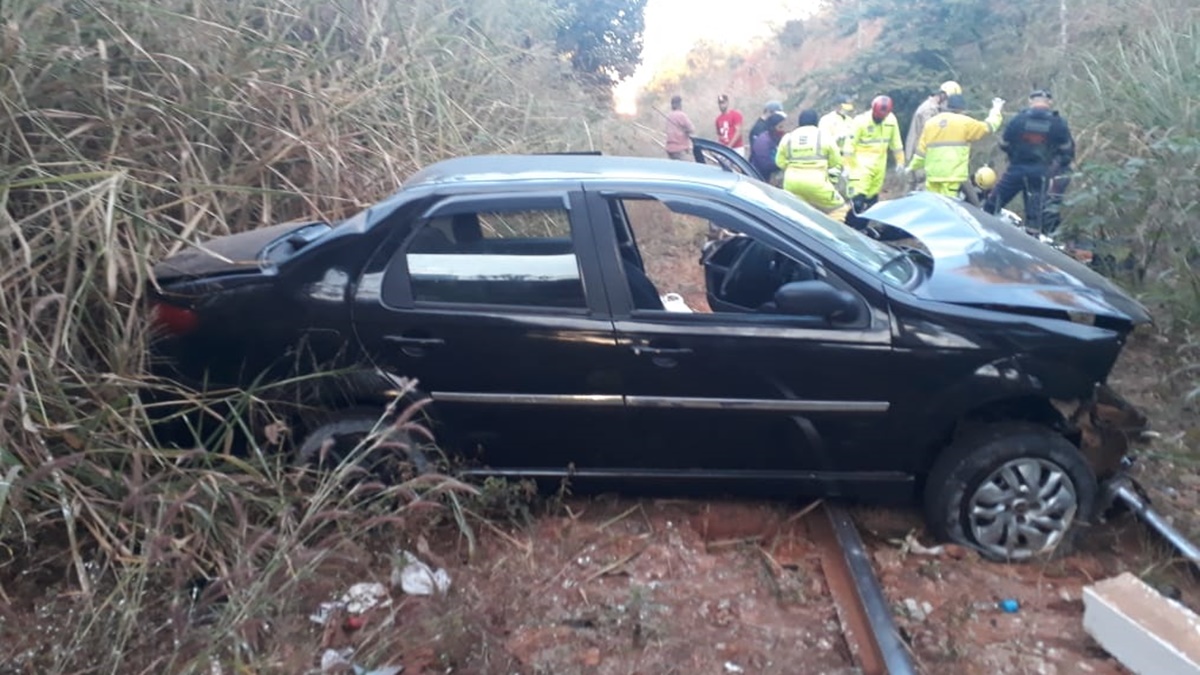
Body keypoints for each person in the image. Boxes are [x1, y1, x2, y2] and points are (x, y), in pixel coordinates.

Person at [983, 89, 1076, 235]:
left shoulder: (1018, 120)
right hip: (1042, 173)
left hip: (1016, 170)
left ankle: (981, 234)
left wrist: (1015, 155)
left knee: (991, 206)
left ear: (1030, 101)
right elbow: (1067, 152)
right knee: (1035, 217)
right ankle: (1033, 245)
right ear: (1049, 102)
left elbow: (1004, 144)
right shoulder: (1058, 123)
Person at [907, 93, 1004, 196]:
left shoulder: (931, 123)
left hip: (933, 176)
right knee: (949, 207)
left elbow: (921, 153)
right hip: (952, 177)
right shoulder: (965, 123)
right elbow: (989, 127)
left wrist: (911, 167)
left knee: (934, 206)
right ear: (962, 110)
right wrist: (996, 110)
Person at [775, 109, 849, 222]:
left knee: (800, 213)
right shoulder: (824, 137)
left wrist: (793, 167)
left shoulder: (788, 137)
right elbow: (836, 162)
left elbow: (779, 162)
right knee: (839, 208)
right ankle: (828, 236)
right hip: (817, 183)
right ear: (816, 122)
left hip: (791, 183)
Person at [845, 95, 905, 228]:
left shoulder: (891, 120)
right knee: (858, 201)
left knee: (871, 202)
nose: (880, 119)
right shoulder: (860, 122)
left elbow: (896, 143)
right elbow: (849, 145)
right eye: (878, 116)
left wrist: (900, 162)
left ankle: (861, 228)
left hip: (879, 166)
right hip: (860, 166)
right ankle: (848, 227)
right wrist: (847, 166)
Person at [906, 80, 961, 163]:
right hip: (922, 155)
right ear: (943, 95)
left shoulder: (937, 108)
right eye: (949, 98)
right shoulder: (928, 110)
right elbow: (932, 132)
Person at [750, 110, 788, 183]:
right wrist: (783, 164)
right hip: (759, 179)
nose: (783, 130)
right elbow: (765, 165)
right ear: (772, 127)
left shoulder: (775, 138)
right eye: (780, 127)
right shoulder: (763, 141)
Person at [818, 93, 856, 158]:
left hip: (848, 158)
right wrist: (837, 138)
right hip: (833, 156)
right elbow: (823, 141)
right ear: (837, 106)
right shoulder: (826, 120)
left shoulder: (850, 120)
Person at [664, 94, 695, 160]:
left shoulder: (669, 116)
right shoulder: (681, 115)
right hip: (680, 149)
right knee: (687, 167)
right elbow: (691, 129)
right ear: (680, 104)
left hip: (670, 149)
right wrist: (686, 131)